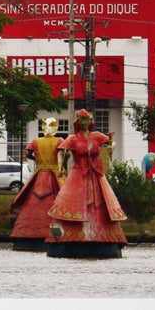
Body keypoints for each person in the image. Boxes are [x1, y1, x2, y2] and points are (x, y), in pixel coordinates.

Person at [45, 108, 127, 258]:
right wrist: (61, 167)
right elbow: (62, 152)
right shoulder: (73, 139)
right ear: (78, 122)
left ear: (90, 122)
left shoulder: (97, 136)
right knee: (73, 205)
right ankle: (67, 238)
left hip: (96, 174)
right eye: (82, 121)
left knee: (100, 204)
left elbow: (110, 142)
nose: (85, 124)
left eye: (87, 121)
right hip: (78, 173)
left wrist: (111, 147)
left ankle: (104, 238)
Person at [8, 118, 66, 249]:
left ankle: (26, 231)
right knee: (64, 197)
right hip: (54, 173)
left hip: (39, 174)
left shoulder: (36, 141)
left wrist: (37, 159)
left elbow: (28, 153)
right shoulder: (59, 141)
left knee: (32, 201)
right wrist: (61, 168)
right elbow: (62, 156)